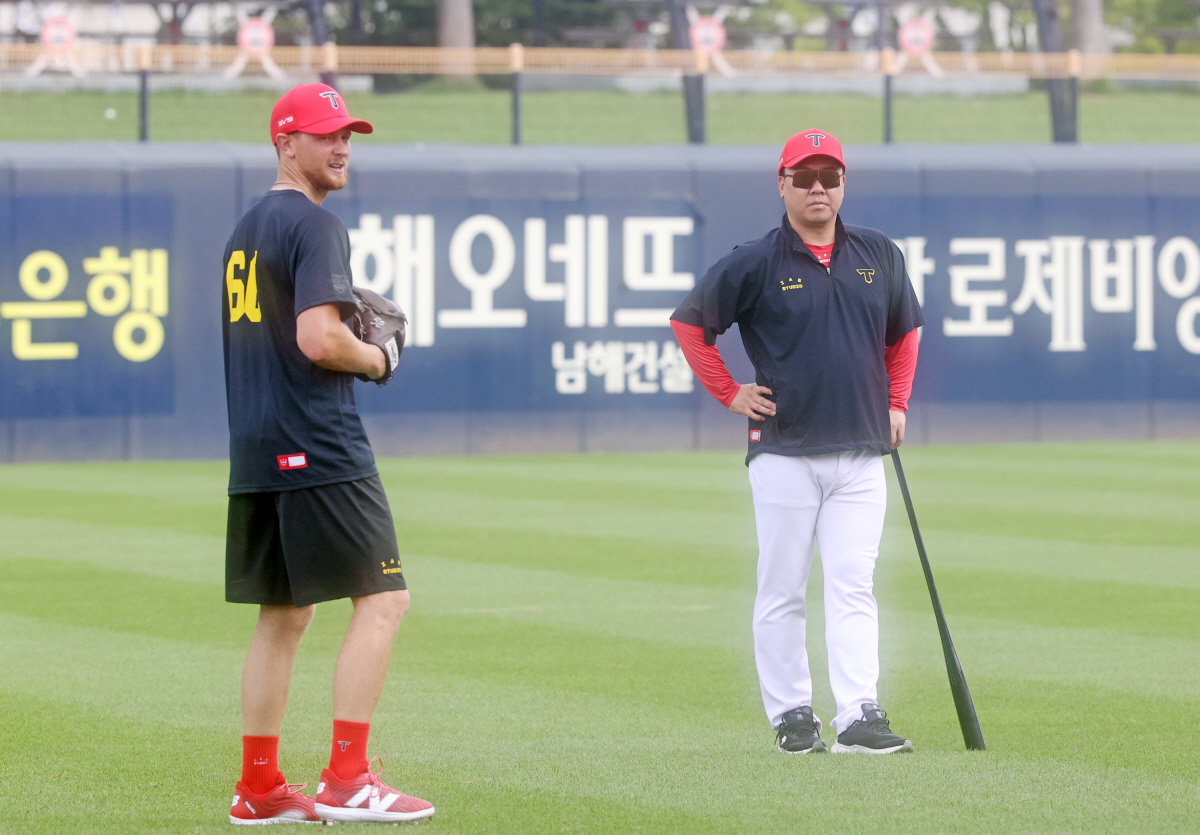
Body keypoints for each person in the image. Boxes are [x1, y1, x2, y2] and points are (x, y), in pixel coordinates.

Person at [670, 129, 923, 755]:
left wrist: (896, 403)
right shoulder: (755, 260)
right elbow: (689, 324)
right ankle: (792, 714)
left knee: (852, 583)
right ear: (781, 184)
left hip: (862, 450)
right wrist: (729, 391)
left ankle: (859, 714)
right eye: (803, 177)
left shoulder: (878, 253)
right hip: (784, 451)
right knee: (782, 586)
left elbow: (904, 335)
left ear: (843, 184)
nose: (818, 188)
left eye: (829, 177)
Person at [222, 83, 435, 824]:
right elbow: (319, 338)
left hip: (257, 445)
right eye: (324, 134)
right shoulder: (315, 226)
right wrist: (378, 358)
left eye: (347, 133)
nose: (342, 146)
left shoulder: (246, 229)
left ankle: (260, 786)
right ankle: (348, 777)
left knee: (283, 616)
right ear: (285, 142)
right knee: (384, 599)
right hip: (318, 441)